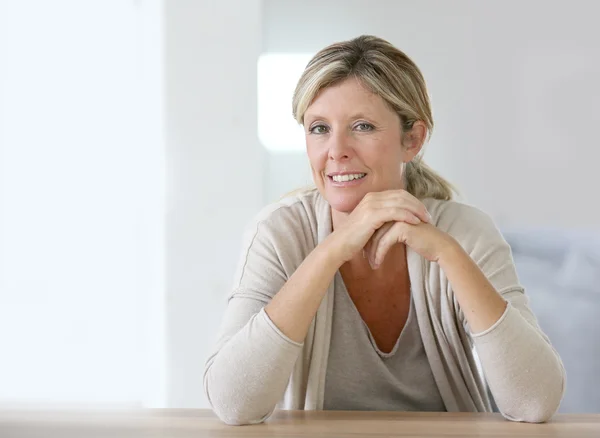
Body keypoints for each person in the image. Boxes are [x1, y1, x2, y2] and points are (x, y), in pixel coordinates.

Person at [203, 35, 566, 426]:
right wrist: (332, 250)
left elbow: (535, 402)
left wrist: (449, 255)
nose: (337, 149)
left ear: (412, 139)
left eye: (362, 126)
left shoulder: (465, 232)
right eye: (319, 128)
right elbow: (232, 402)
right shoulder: (278, 233)